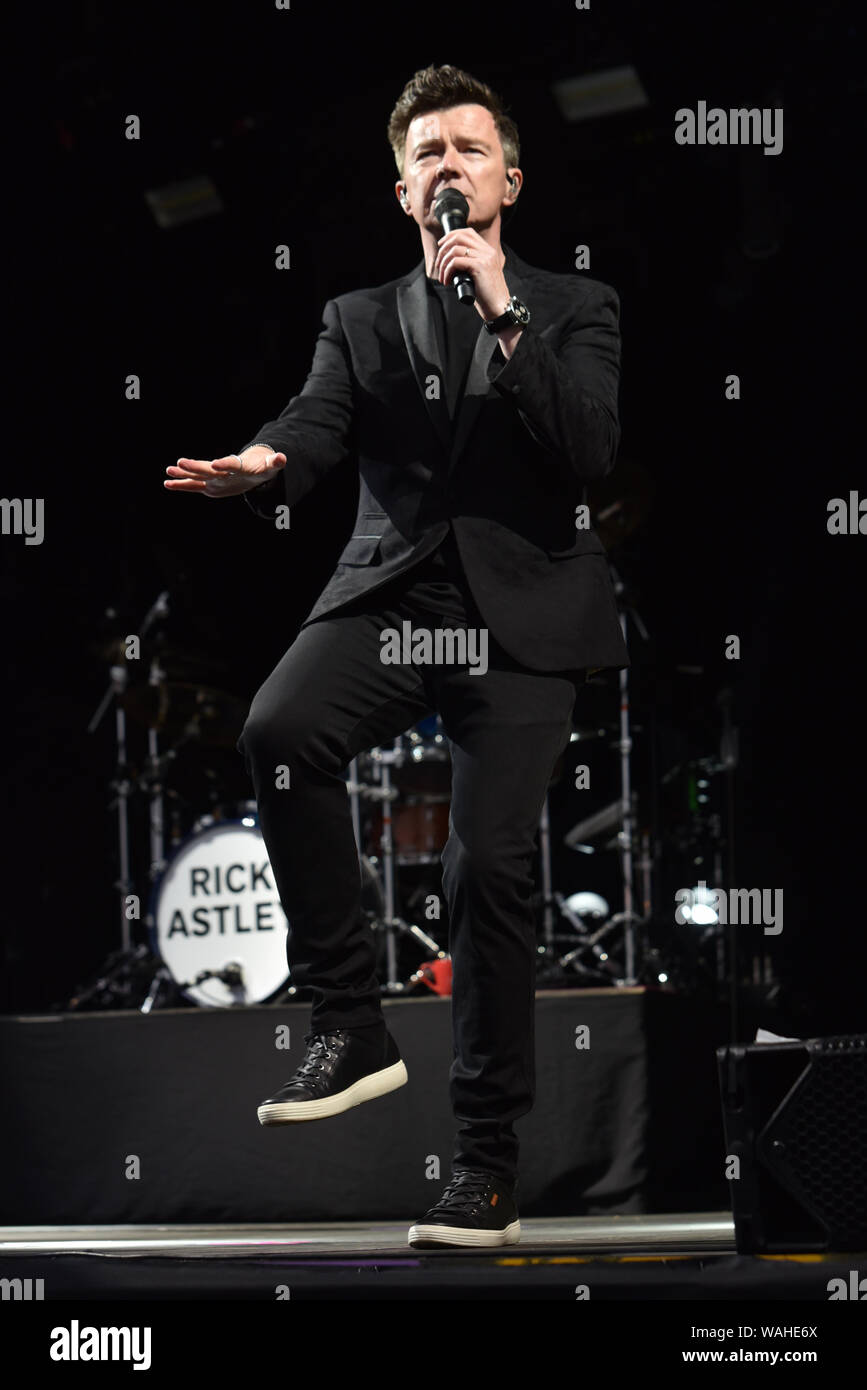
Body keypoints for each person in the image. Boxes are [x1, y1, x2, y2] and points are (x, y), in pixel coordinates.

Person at [165, 63, 629, 1248]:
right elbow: (314, 424)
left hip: (520, 619)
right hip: (396, 595)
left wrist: (500, 312)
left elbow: (587, 450)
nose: (448, 169)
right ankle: (350, 1020)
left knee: (489, 870)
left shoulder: (574, 305)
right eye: (427, 154)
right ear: (401, 188)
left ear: (507, 181)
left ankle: (483, 1163)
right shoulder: (360, 318)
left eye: (468, 150)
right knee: (276, 729)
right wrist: (264, 464)